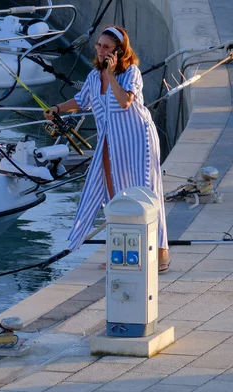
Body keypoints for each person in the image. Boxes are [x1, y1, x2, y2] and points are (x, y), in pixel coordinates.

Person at [43, 26, 170, 273]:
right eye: (99, 46)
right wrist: (57, 108)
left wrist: (111, 75)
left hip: (137, 140)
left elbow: (125, 102)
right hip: (110, 142)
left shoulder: (130, 72)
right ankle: (121, 251)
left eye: (107, 47)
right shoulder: (93, 77)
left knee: (146, 192)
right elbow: (81, 101)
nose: (101, 51)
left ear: (119, 51)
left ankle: (161, 252)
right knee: (112, 195)